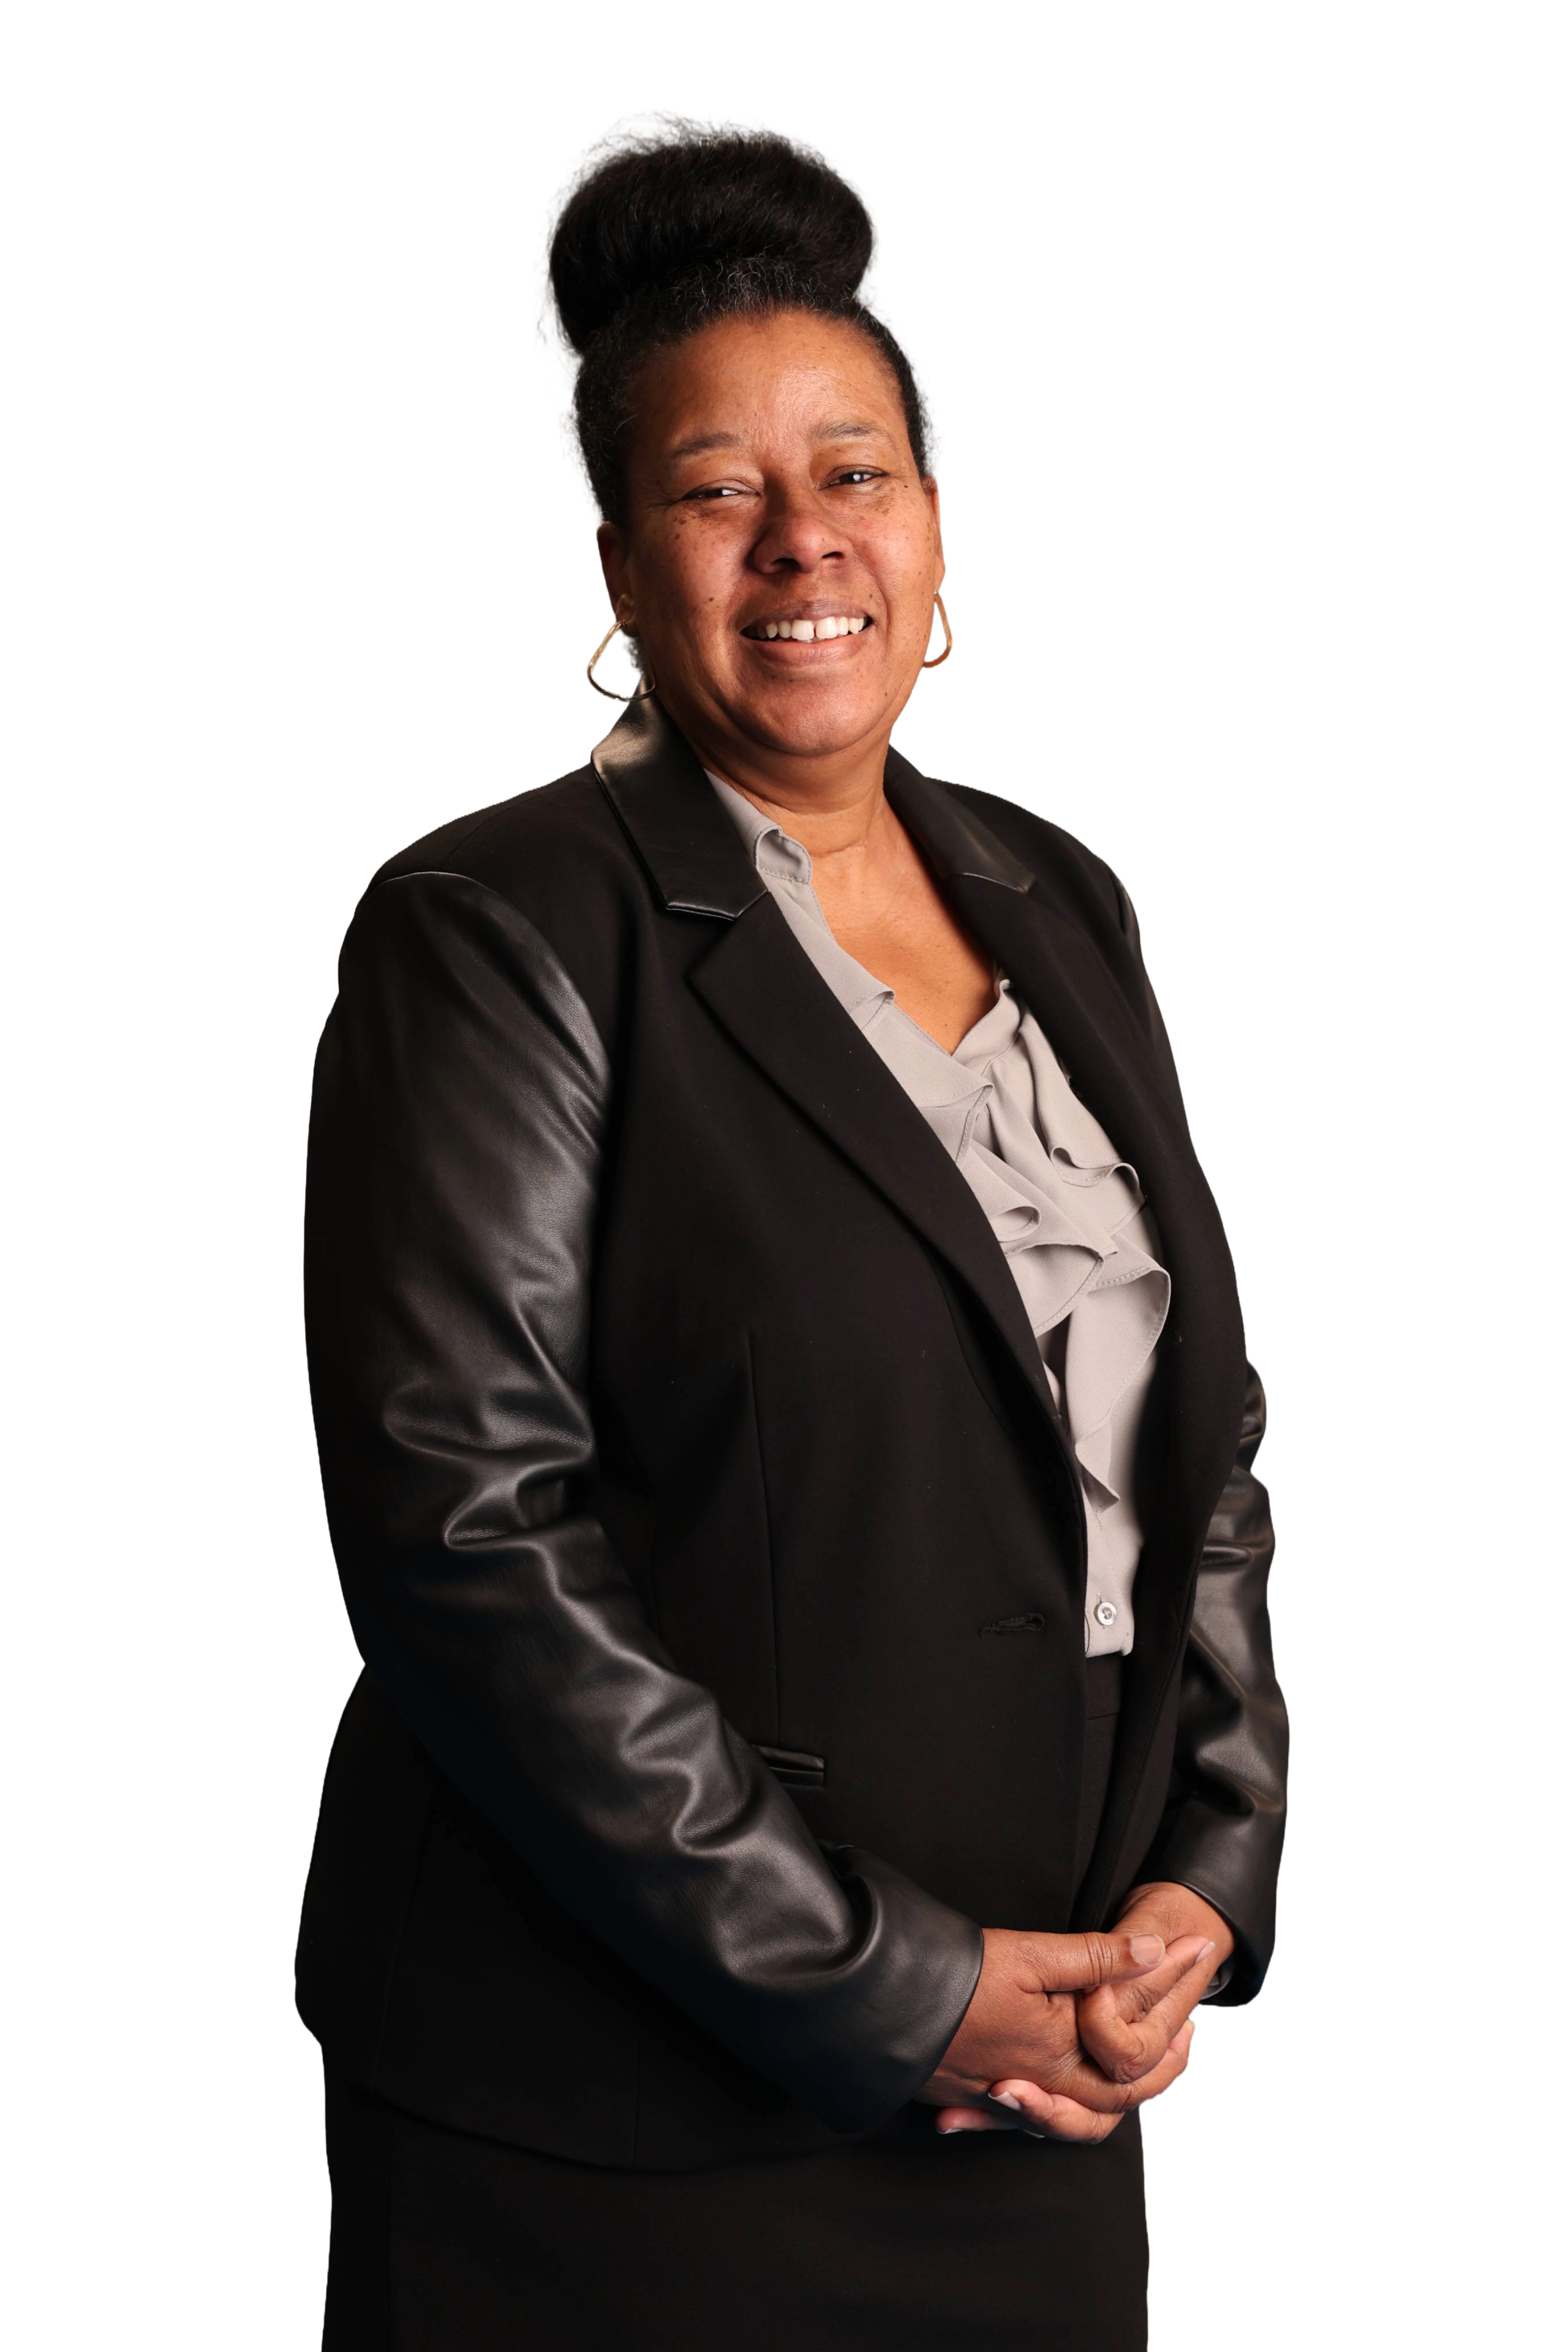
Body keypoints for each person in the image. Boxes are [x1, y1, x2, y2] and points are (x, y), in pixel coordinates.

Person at [298, 123, 1287, 2351]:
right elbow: (469, 1542)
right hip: (616, 2121)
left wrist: (1194, 1884)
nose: (800, 538)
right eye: (713, 488)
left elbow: (1191, 1437)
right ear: (626, 569)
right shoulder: (499, 930)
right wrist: (889, 1985)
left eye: (857, 468)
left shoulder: (1056, 898)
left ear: (936, 529)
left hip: (1027, 2099)